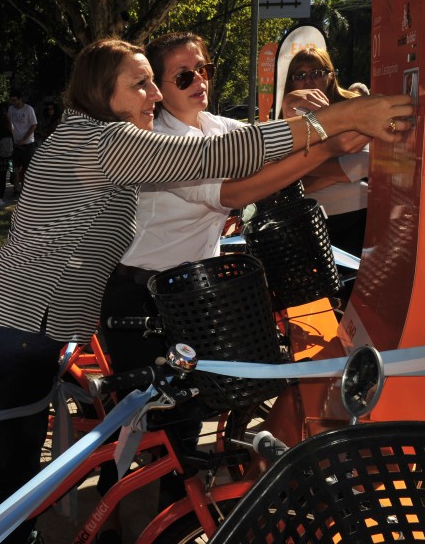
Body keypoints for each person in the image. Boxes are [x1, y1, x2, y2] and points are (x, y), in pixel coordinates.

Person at [0, 38, 413, 542]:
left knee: (51, 453)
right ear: (101, 92)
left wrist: (305, 124)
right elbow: (218, 159)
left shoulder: (97, 135)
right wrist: (334, 124)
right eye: (143, 83)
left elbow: (244, 145)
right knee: (14, 475)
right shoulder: (103, 142)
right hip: (22, 327)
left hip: (31, 325)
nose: (154, 94)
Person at [101, 32, 369, 383]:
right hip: (143, 296)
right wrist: (323, 146)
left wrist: (293, 114)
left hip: (189, 291)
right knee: (156, 420)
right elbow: (232, 194)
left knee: (197, 404)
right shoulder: (162, 141)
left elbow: (264, 145)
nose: (198, 80)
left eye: (203, 69)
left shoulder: (212, 125)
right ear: (159, 88)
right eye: (184, 75)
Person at [281, 47, 367, 258]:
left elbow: (363, 162)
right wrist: (337, 167)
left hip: (356, 214)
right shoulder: (288, 119)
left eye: (316, 73)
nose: (308, 81)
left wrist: (306, 178)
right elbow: (283, 175)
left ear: (330, 76)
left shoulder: (353, 107)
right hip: (308, 220)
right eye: (300, 75)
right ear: (291, 83)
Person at [7, 89, 37, 195]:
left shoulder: (28, 109)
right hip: (15, 143)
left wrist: (24, 139)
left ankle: (27, 189)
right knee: (13, 166)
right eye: (11, 101)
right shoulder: (11, 109)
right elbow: (9, 122)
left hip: (28, 143)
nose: (13, 103)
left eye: (15, 100)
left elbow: (34, 125)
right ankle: (16, 188)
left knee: (27, 168)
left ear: (20, 99)